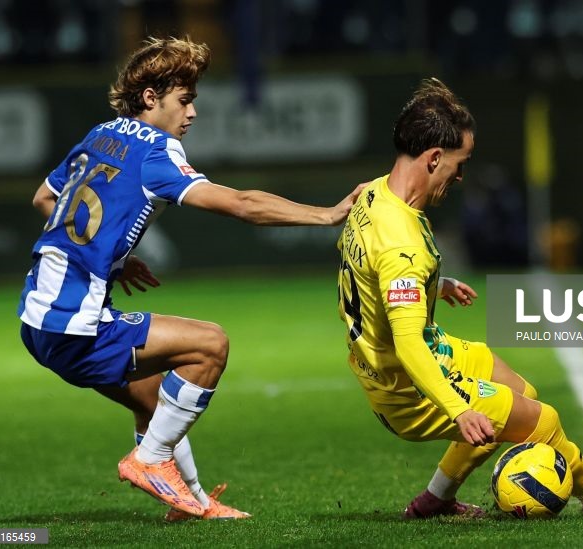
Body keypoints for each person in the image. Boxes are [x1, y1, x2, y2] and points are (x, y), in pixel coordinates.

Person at [18, 36, 361, 521]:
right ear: (150, 98)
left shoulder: (99, 135)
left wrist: (114, 255)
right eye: (185, 99)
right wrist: (327, 215)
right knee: (210, 345)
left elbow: (43, 199)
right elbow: (242, 204)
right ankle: (150, 461)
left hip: (37, 318)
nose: (193, 113)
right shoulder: (156, 151)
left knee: (155, 400)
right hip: (75, 321)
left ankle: (193, 503)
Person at [336, 77, 583, 518]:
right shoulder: (403, 242)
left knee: (522, 393)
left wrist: (433, 285)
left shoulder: (373, 194)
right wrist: (459, 410)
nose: (461, 176)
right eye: (460, 164)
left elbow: (369, 270)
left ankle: (434, 501)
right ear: (434, 157)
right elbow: (407, 342)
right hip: (407, 387)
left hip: (402, 360)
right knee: (544, 420)